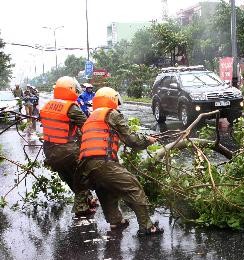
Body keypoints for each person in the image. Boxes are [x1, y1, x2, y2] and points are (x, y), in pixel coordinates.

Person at [75, 87, 164, 236]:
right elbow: (131, 139)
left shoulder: (91, 117)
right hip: (102, 162)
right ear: (112, 99)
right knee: (133, 188)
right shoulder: (112, 114)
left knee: (105, 190)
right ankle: (147, 227)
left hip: (85, 166)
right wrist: (147, 140)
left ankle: (116, 221)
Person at [39, 76, 96, 216]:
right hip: (66, 151)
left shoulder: (47, 105)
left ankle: (88, 199)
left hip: (49, 151)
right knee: (82, 177)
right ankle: (82, 208)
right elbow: (87, 126)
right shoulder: (71, 107)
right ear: (71, 89)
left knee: (69, 177)